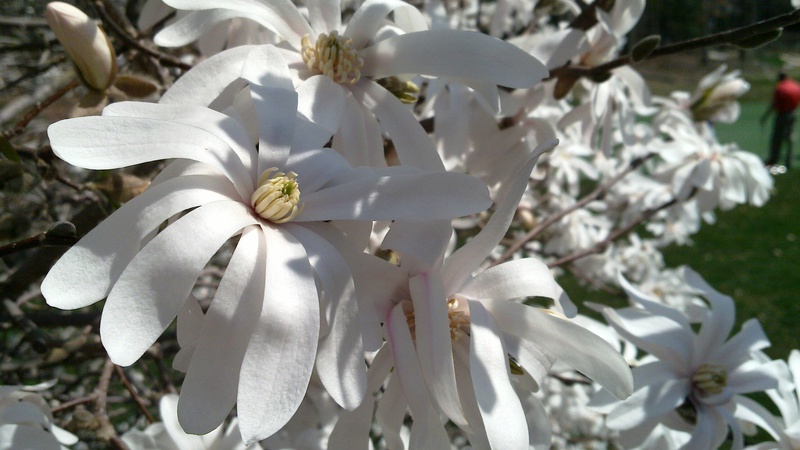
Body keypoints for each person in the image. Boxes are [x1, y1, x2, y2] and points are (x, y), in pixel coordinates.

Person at [761, 72, 800, 170]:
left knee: (777, 138)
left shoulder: (781, 88)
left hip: (782, 114)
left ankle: (774, 159)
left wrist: (765, 116)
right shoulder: (795, 85)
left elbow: (775, 104)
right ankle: (789, 160)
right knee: (790, 137)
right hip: (793, 113)